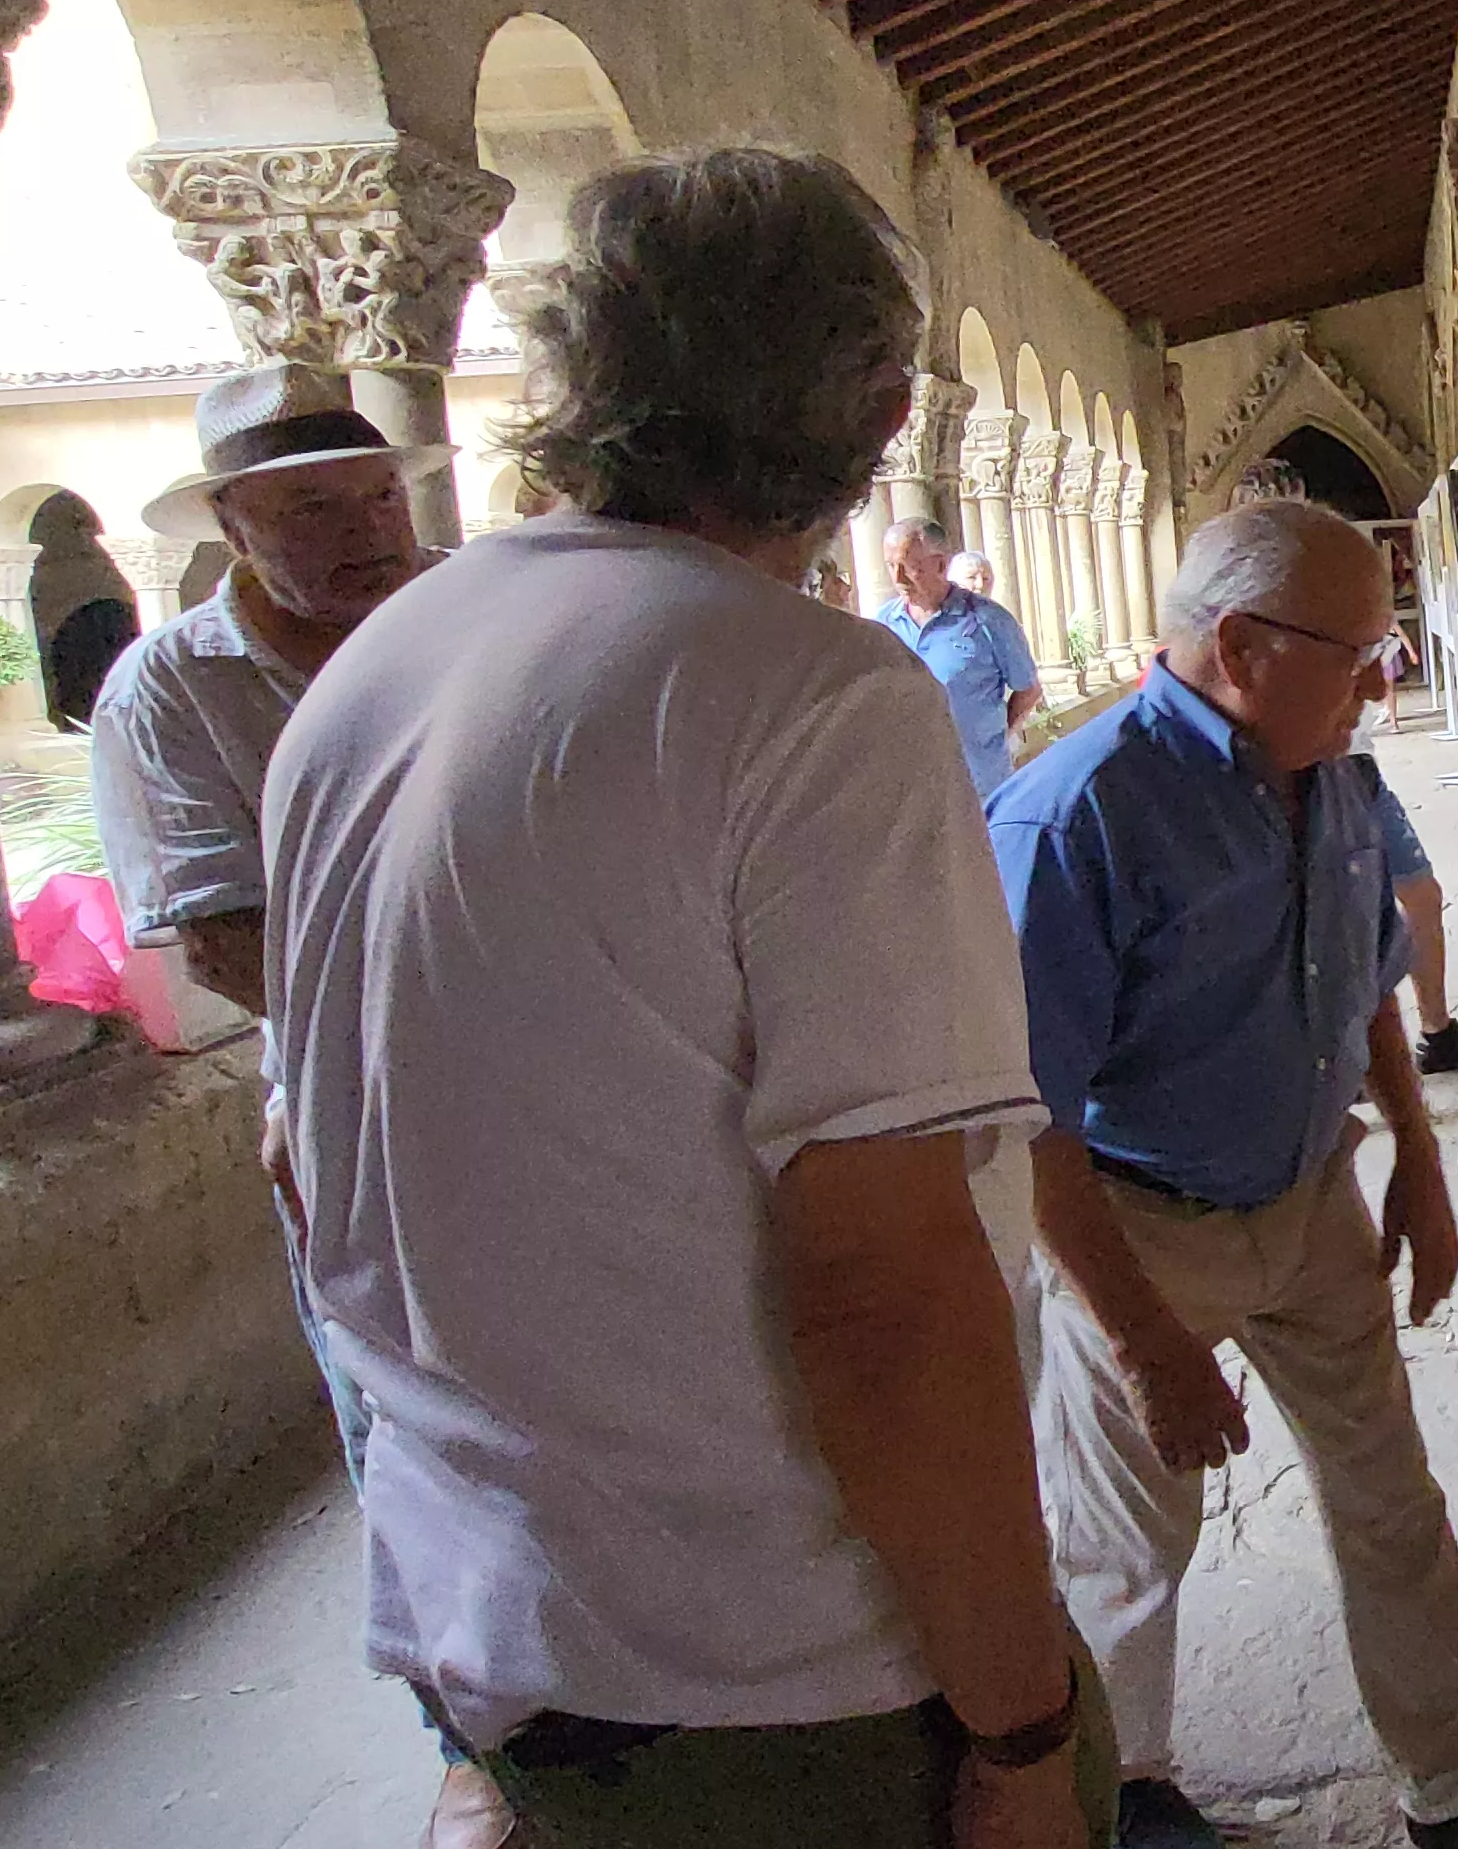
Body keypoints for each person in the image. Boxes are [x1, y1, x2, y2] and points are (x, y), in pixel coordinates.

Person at [264, 149, 1107, 1849]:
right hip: (771, 1668)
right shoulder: (810, 701)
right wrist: (1020, 1721)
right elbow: (884, 1291)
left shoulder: (375, 671)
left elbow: (301, 1155)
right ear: (875, 411)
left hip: (498, 1632)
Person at [990, 502, 1458, 1849]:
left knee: (1392, 1502)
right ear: (1242, 647)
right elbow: (1027, 1119)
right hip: (1142, 1226)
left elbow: (1367, 969)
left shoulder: (1334, 772)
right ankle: (1125, 1791)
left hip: (1312, 1202)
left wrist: (1418, 1161)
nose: (1388, 683)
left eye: (1390, 647)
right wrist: (1144, 1342)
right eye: (1360, 653)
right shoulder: (1079, 819)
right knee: (1125, 1547)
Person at [86, 362, 504, 1849]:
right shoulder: (174, 689)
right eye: (312, 509)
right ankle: (471, 1741)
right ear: (229, 523)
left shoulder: (476, 613)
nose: (363, 531)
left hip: (557, 1083)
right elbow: (220, 932)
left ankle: (614, 1693)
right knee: (399, 1415)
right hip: (366, 1120)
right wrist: (461, 1030)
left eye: (379, 495)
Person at [1356, 640, 1458, 1075]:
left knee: (1421, 896)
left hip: (1358, 769)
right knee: (1357, 919)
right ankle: (1349, 1058)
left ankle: (1437, 1032)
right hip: (1334, 770)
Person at [877, 514, 1045, 798]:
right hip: (911, 787)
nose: (898, 579)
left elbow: (1027, 690)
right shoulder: (883, 623)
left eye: (909, 566)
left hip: (978, 785)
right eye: (891, 566)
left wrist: (989, 739)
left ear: (941, 564)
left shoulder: (989, 620)